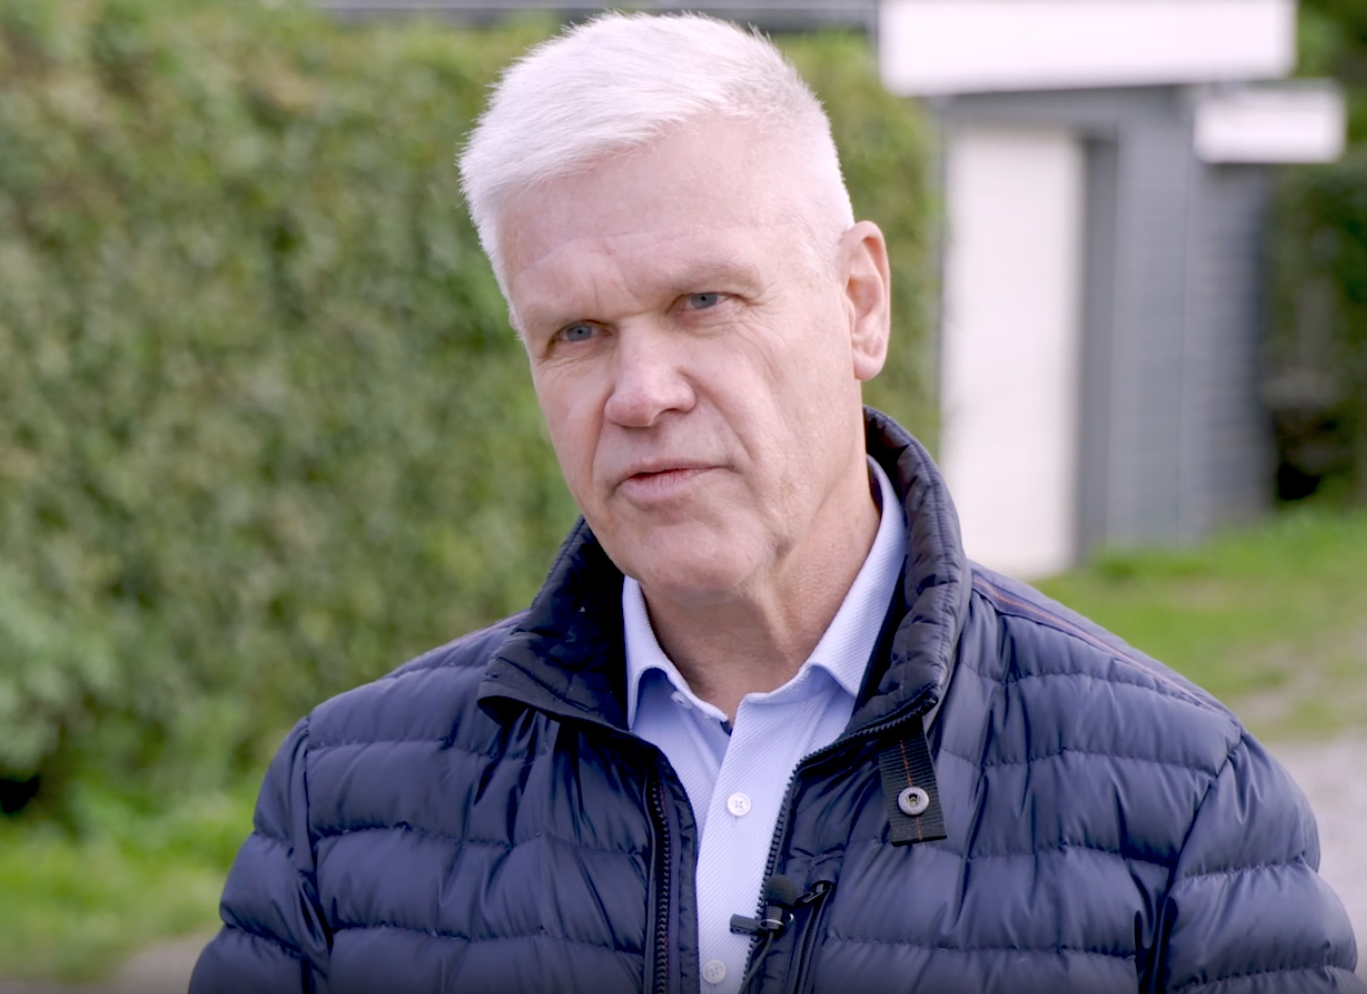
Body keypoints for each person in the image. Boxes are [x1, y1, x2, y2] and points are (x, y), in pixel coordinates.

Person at [188, 13, 1362, 994]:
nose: (640, 393)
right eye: (576, 332)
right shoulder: (344, 803)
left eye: (703, 302)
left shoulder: (1184, 808)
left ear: (858, 303)